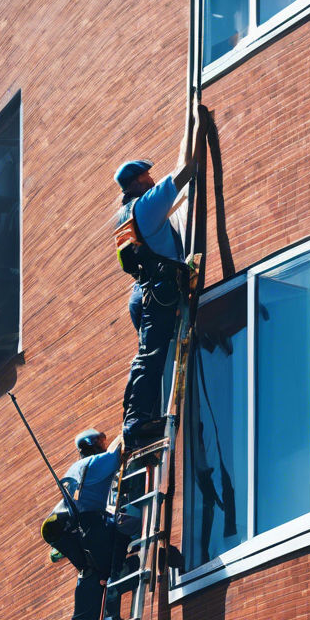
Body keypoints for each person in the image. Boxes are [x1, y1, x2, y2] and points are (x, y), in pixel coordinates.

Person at [114, 99, 209, 449]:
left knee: (150, 357)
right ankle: (136, 423)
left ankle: (143, 418)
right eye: (148, 177)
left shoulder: (126, 214)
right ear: (139, 182)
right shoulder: (147, 204)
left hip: (144, 295)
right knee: (151, 357)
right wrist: (195, 125)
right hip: (157, 295)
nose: (153, 180)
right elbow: (185, 170)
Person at [41, 428, 128, 620]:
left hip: (71, 532)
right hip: (92, 524)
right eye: (101, 442)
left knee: (90, 572)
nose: (103, 445)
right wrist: (124, 431)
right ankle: (112, 608)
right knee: (118, 550)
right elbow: (119, 452)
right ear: (93, 444)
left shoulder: (74, 469)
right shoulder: (95, 463)